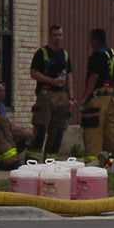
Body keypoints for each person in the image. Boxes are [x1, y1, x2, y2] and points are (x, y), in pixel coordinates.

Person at [28, 24, 72, 158]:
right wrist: (51, 81)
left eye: (60, 35)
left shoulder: (65, 55)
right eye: (55, 35)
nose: (57, 38)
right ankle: (33, 160)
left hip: (62, 96)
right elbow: (34, 73)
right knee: (41, 128)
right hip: (45, 94)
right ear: (50, 36)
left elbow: (69, 76)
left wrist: (71, 97)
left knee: (58, 131)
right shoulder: (41, 53)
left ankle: (51, 161)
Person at [79, 26, 114, 163]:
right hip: (110, 97)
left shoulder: (97, 55)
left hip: (97, 98)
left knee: (93, 130)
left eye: (91, 39)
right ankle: (111, 162)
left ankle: (92, 164)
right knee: (110, 130)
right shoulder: (112, 53)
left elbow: (93, 77)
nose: (90, 42)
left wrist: (85, 97)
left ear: (96, 40)